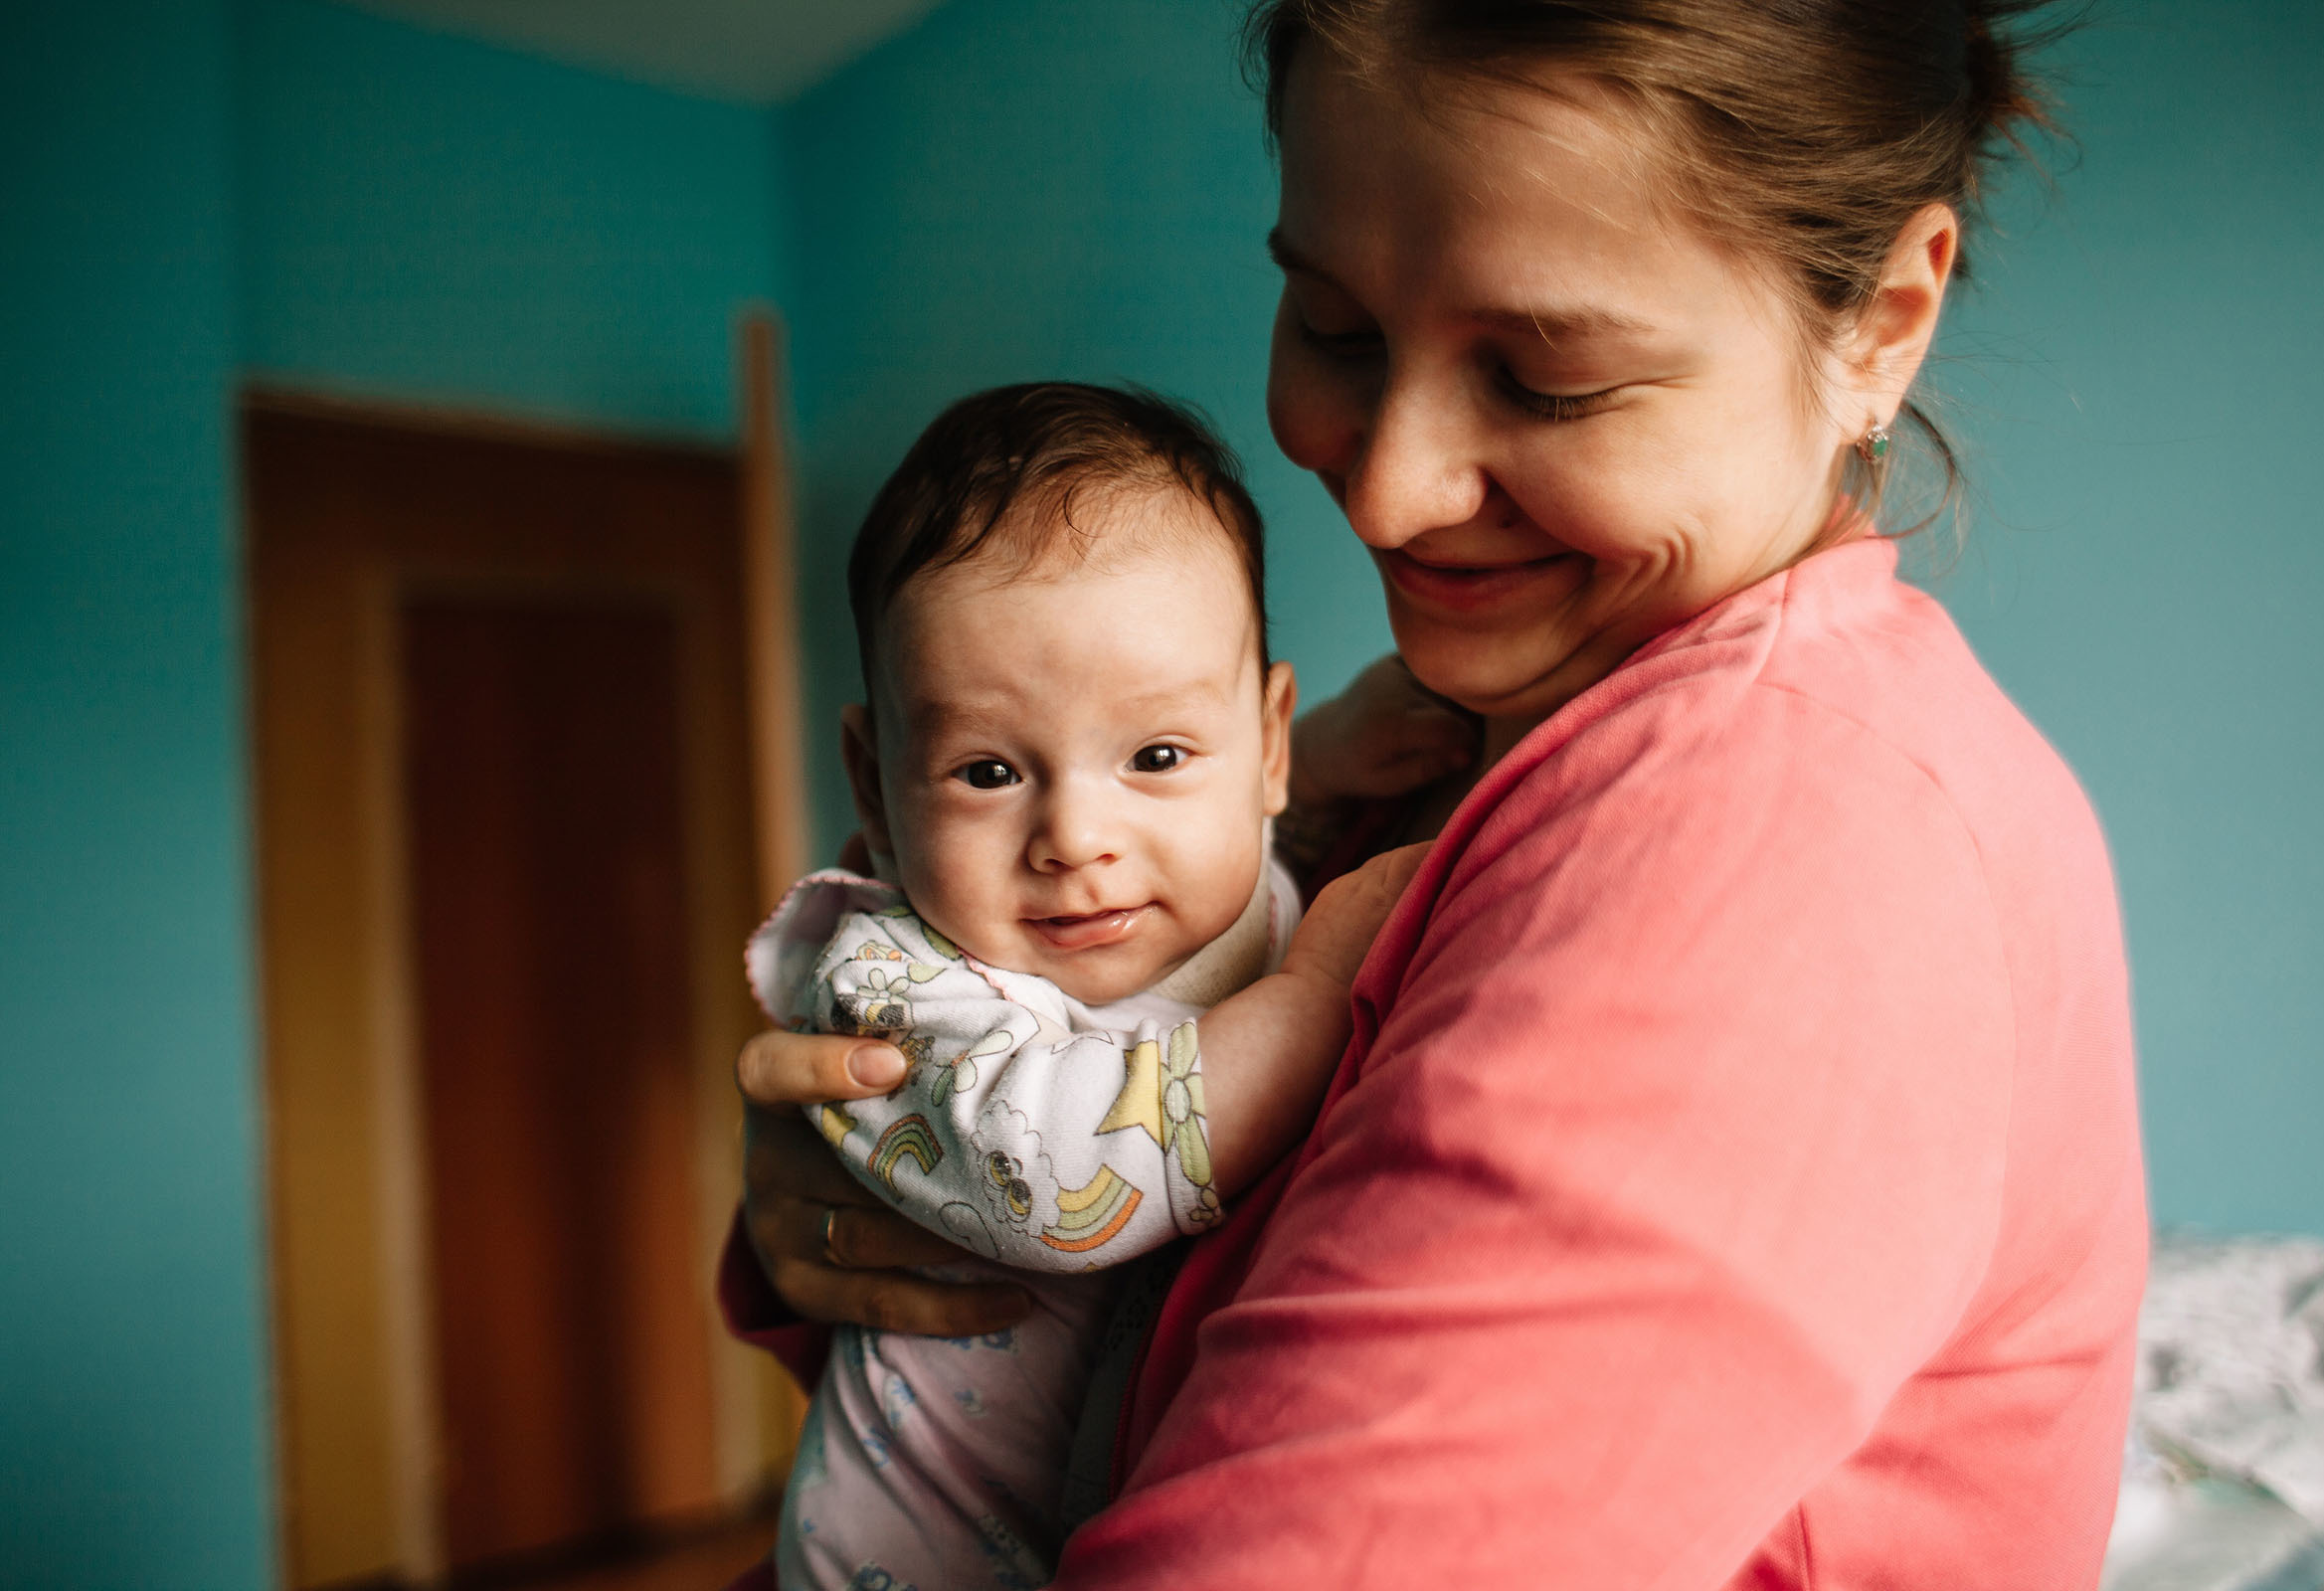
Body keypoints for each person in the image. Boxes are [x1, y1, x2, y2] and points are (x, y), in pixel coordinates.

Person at [726, 2, 2148, 1586]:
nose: (1389, 492)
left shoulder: (1799, 834)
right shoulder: (1445, 751)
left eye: (1546, 381)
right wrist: (847, 1211)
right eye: (1332, 325)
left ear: (1881, 323)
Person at [749, 382, 1428, 1591]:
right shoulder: (893, 982)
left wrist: (1325, 758)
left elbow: (1255, 843)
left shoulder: (1237, 871)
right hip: (919, 1558)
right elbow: (1065, 1172)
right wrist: (1324, 978)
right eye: (989, 770)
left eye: (1155, 755)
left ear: (1262, 743)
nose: (1075, 835)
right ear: (874, 784)